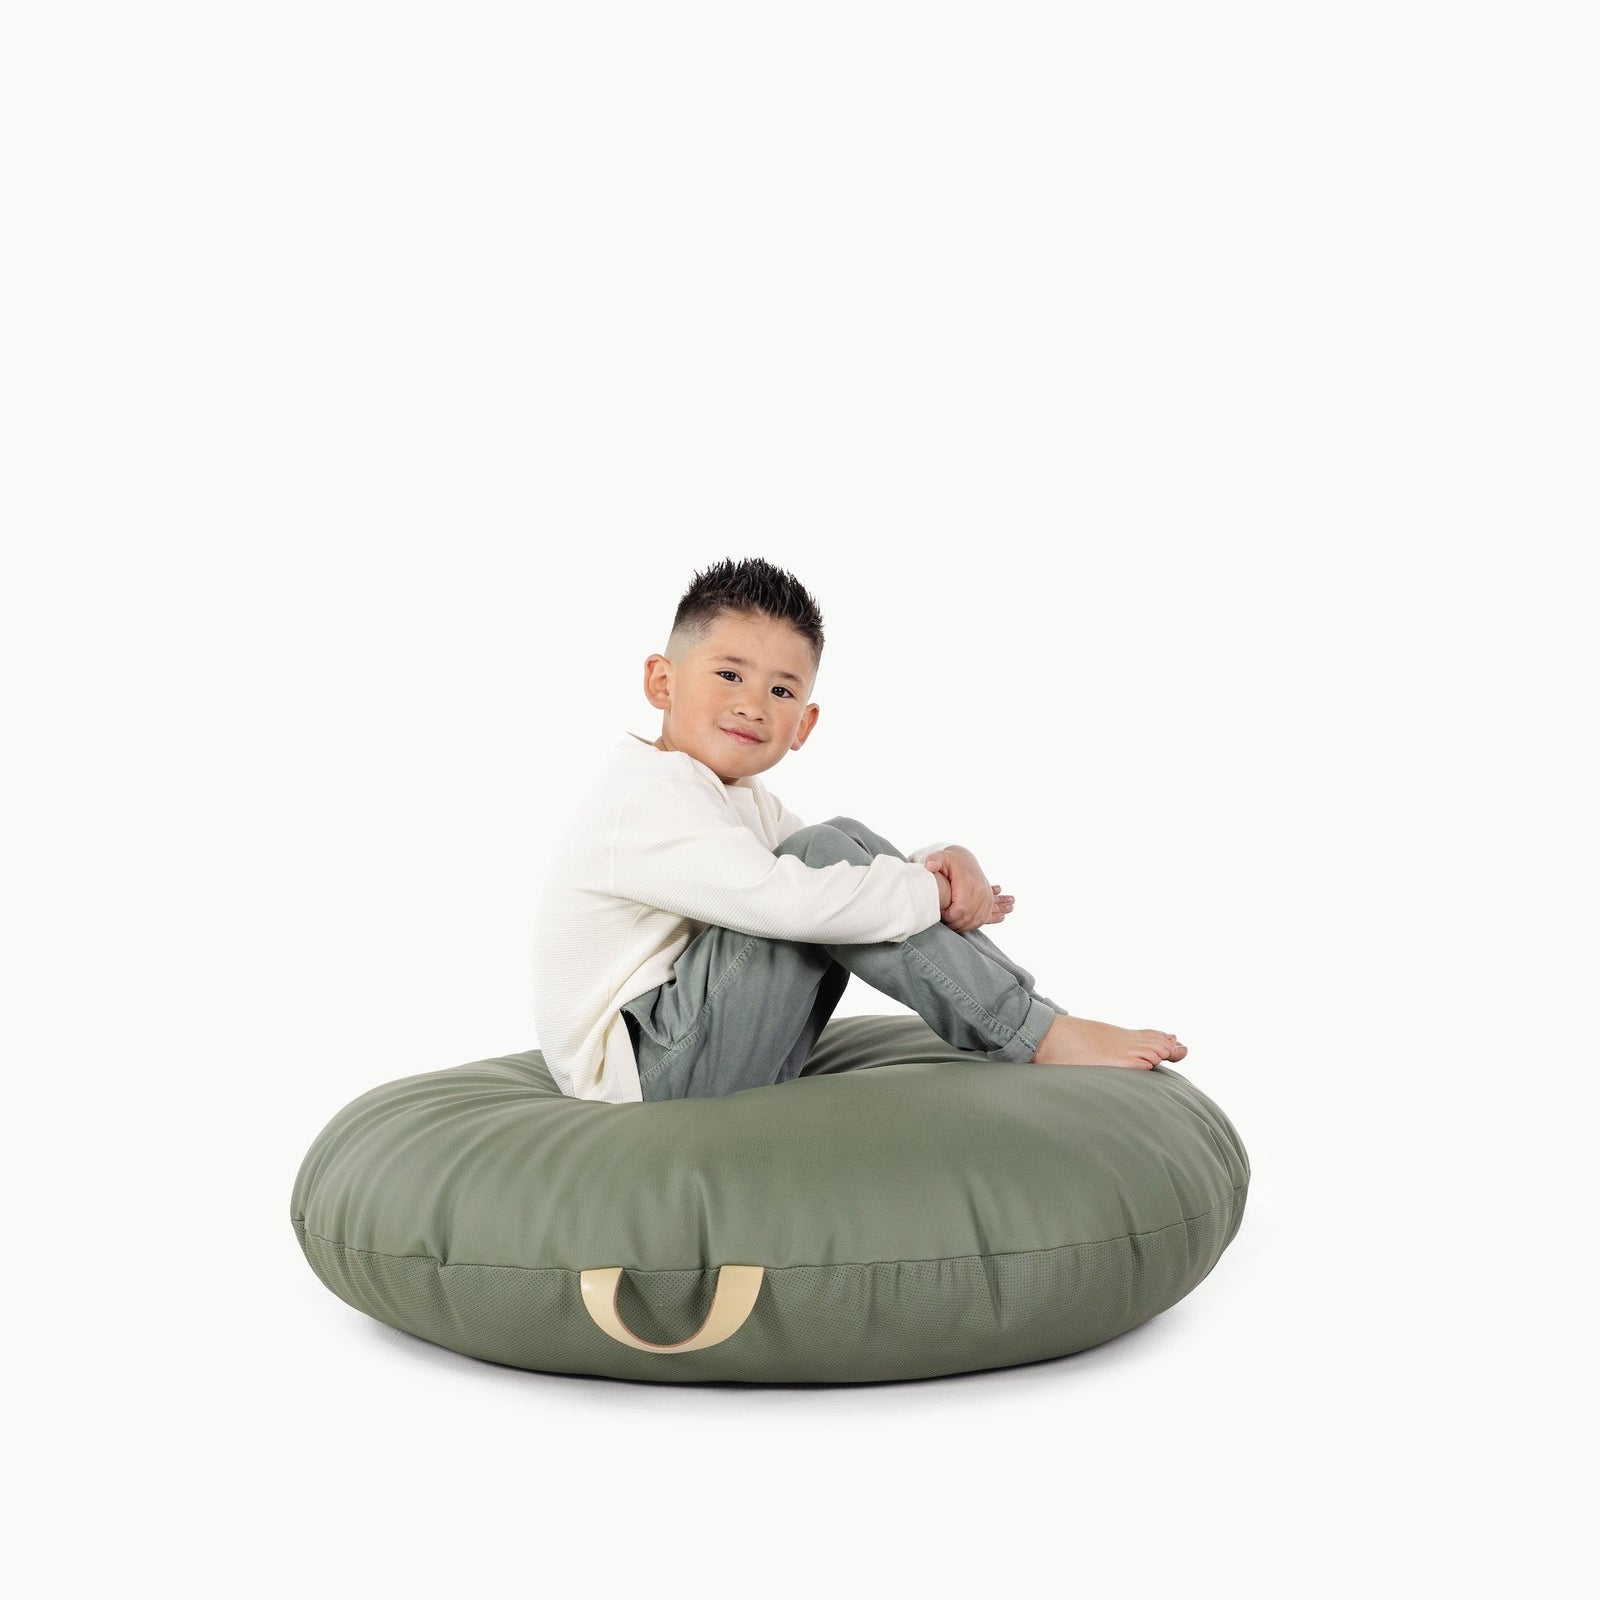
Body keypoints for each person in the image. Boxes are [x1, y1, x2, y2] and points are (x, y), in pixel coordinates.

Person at [532, 556, 1187, 1103]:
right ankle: (1033, 1030)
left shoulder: (735, 797)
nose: (751, 704)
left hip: (687, 1048)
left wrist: (940, 862)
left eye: (781, 692)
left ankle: (1037, 1022)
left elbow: (835, 869)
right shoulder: (647, 793)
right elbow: (789, 896)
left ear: (805, 726)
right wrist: (930, 892)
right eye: (729, 673)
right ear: (661, 681)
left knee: (829, 843)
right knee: (818, 863)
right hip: (642, 1077)